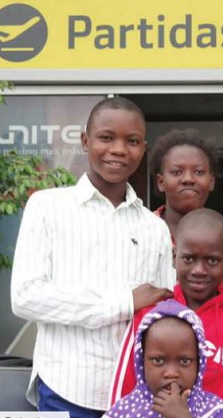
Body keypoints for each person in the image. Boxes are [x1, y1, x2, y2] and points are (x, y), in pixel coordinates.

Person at [10, 97, 175, 417]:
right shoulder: (47, 207)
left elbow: (162, 313)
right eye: (106, 137)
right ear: (85, 141)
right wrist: (123, 302)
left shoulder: (154, 227)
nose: (118, 149)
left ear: (144, 148)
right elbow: (26, 297)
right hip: (64, 387)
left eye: (132, 141)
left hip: (135, 394)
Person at [111, 208, 223, 418]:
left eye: (212, 261)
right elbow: (124, 390)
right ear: (175, 257)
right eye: (189, 259)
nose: (199, 270)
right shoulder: (151, 313)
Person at [104, 300, 223, 418]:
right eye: (158, 361)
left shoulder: (217, 411)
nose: (172, 373)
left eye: (185, 361)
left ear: (200, 363)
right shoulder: (123, 412)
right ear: (142, 362)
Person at [149, 128, 223, 250]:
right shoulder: (142, 231)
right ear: (161, 182)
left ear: (211, 181)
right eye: (177, 172)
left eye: (198, 172)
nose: (188, 179)